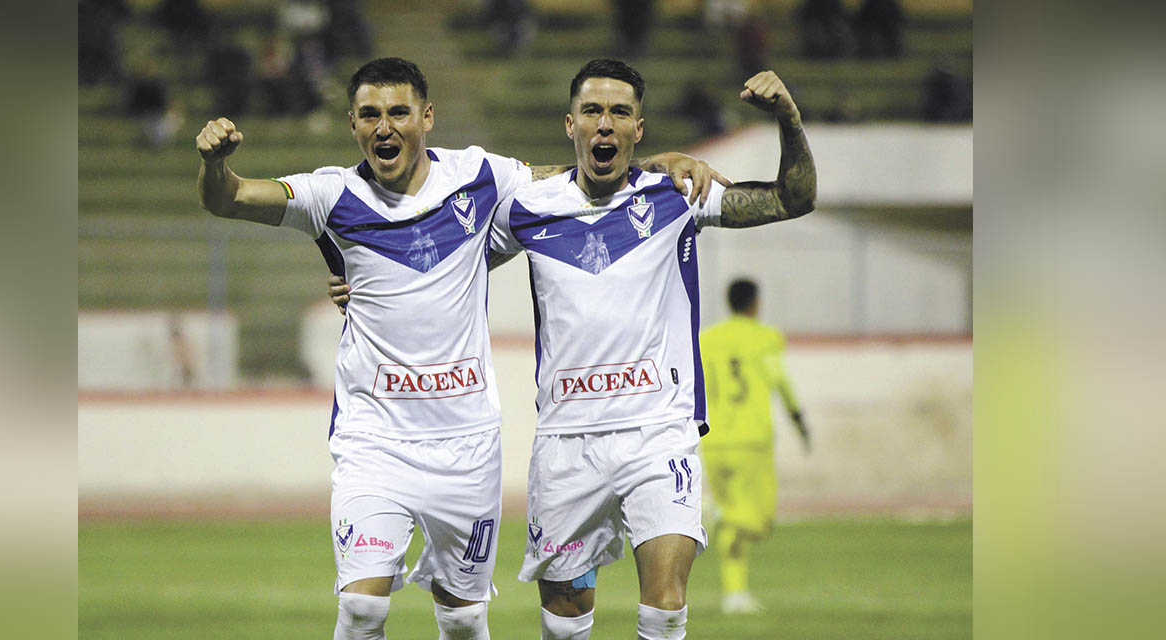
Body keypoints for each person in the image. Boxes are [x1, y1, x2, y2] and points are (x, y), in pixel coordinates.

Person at [197, 57, 722, 640]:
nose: (384, 127)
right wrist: (215, 165)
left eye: (398, 112)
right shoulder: (331, 196)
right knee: (363, 608)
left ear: (427, 117)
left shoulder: (479, 177)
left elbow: (571, 175)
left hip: (467, 444)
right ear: (352, 124)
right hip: (375, 440)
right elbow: (231, 199)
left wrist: (657, 164)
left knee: (465, 619)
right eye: (370, 115)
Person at [332, 59, 814, 639]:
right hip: (566, 446)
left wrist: (787, 118)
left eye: (619, 113)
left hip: (657, 434)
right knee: (564, 623)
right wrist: (357, 282)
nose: (604, 124)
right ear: (570, 125)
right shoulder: (527, 208)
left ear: (639, 128)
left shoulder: (678, 196)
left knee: (664, 608)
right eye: (592, 111)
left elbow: (794, 198)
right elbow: (437, 261)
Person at [698, 279, 811, 615]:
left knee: (734, 530)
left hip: (714, 442)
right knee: (760, 521)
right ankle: (717, 512)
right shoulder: (765, 338)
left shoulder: (707, 339)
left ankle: (735, 595)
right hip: (751, 441)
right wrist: (799, 419)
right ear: (755, 303)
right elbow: (780, 380)